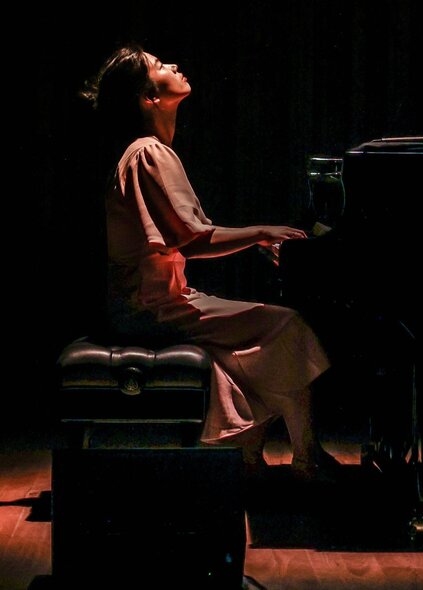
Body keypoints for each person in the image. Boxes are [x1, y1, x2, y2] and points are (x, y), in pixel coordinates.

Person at [82, 45, 338, 481]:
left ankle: (248, 458)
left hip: (148, 304)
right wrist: (263, 231)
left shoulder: (148, 151)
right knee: (286, 326)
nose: (174, 65)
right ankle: (307, 460)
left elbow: (186, 238)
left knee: (249, 345)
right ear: (150, 98)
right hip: (151, 310)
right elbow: (194, 239)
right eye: (160, 66)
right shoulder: (148, 153)